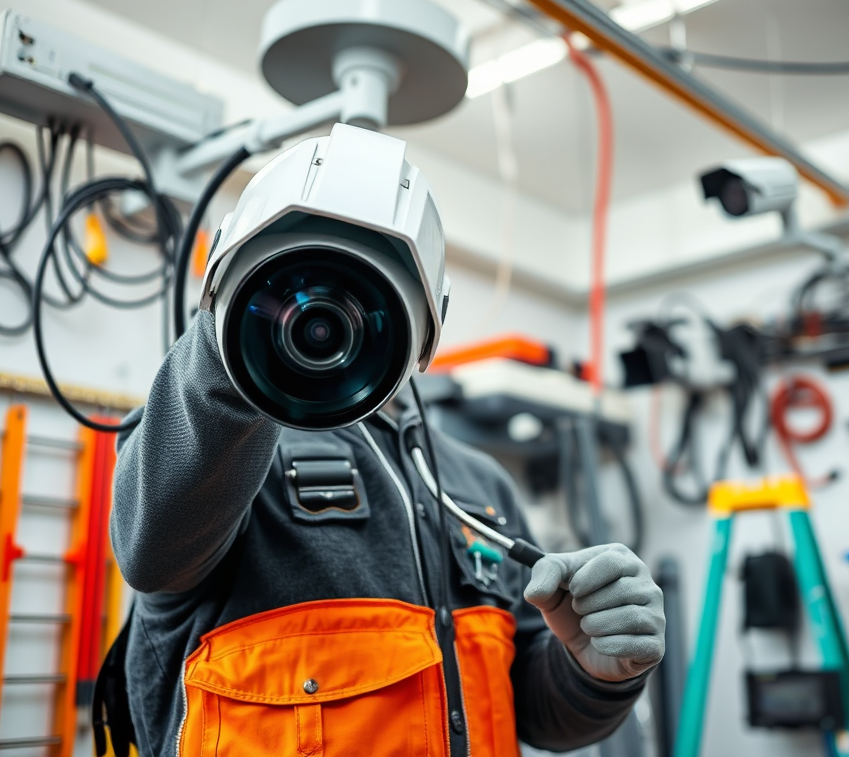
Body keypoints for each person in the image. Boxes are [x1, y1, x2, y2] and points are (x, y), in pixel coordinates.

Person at [109, 307, 665, 757]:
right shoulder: (227, 448)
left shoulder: (479, 481)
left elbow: (526, 709)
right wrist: (237, 324)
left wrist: (590, 672)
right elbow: (152, 554)